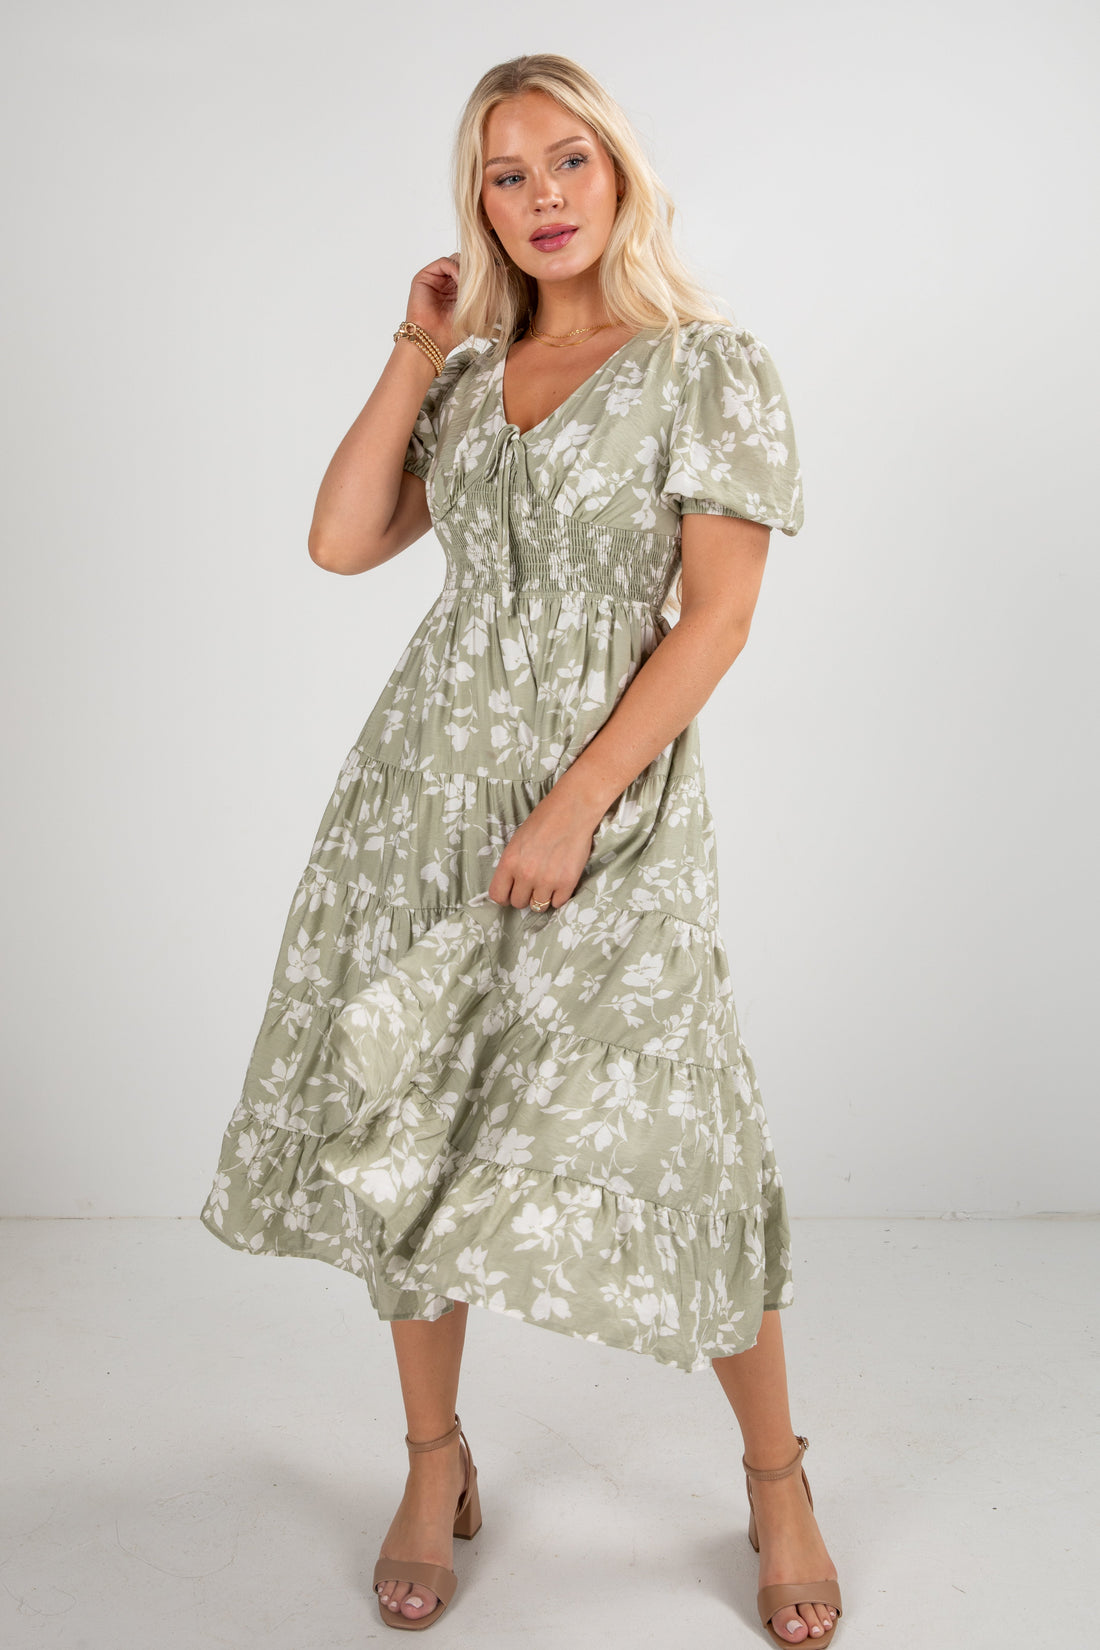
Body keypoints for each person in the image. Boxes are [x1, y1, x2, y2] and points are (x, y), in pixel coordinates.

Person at [200, 51, 841, 1644]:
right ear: (475, 204)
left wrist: (577, 801)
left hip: (606, 809)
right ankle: (432, 1463)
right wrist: (417, 347)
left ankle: (776, 1478)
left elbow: (718, 621)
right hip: (420, 795)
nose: (543, 196)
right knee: (413, 1127)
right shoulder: (474, 377)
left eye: (569, 161)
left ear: (620, 174)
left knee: (680, 1128)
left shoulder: (707, 367)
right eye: (507, 175)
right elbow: (345, 537)